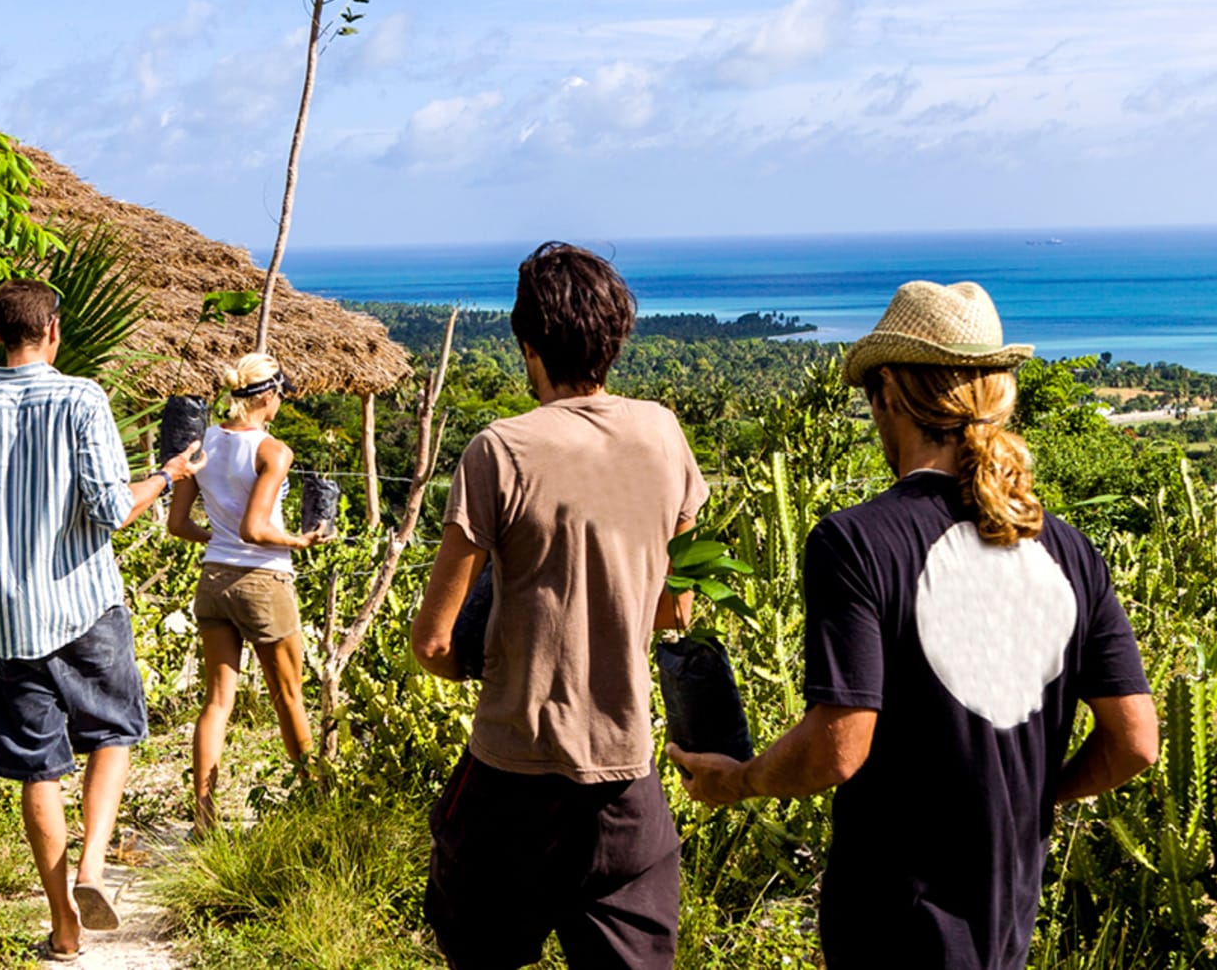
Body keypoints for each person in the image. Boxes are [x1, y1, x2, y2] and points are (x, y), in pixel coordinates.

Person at [668, 280, 1159, 970]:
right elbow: (1135, 741)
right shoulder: (1069, 549)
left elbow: (839, 747)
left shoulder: (856, 542)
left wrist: (738, 779)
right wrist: (1030, 793)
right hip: (1006, 927)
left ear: (891, 391)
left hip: (892, 929)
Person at [411, 242, 708, 969]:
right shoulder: (663, 434)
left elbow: (431, 641)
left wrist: (483, 662)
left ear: (528, 346)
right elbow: (678, 609)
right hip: (625, 783)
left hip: (512, 774)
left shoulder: (500, 450)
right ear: (615, 339)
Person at [0, 278, 206, 962]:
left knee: (37, 770)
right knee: (115, 732)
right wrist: (168, 477)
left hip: (12, 617)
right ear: (53, 330)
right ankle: (92, 870)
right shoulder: (82, 396)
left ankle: (65, 929)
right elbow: (112, 508)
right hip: (86, 603)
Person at [167, 352, 331, 832]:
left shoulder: (203, 444)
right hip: (262, 581)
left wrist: (216, 539)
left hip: (213, 579)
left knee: (217, 702)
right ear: (267, 395)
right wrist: (299, 541)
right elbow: (257, 529)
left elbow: (179, 524)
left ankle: (204, 817)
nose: (281, 403)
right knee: (289, 697)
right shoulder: (272, 451)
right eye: (280, 394)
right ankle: (318, 804)